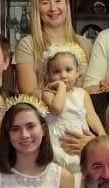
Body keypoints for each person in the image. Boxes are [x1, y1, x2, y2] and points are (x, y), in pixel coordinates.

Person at [0, 95, 73, 188]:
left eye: (30, 126)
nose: (24, 135)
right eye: (15, 129)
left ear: (43, 129)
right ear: (8, 134)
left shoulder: (64, 178)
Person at [14, 0, 91, 96]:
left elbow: (92, 88)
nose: (53, 8)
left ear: (66, 4)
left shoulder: (86, 44)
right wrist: (62, 100)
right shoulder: (27, 44)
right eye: (45, 3)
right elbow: (28, 93)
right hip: (43, 109)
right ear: (37, 9)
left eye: (58, 1)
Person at [41, 42, 104, 176]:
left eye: (68, 70)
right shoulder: (48, 93)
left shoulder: (82, 94)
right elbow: (57, 108)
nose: (63, 75)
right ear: (49, 75)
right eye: (56, 72)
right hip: (57, 148)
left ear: (77, 73)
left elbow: (91, 116)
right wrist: (61, 87)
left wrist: (102, 134)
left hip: (79, 147)